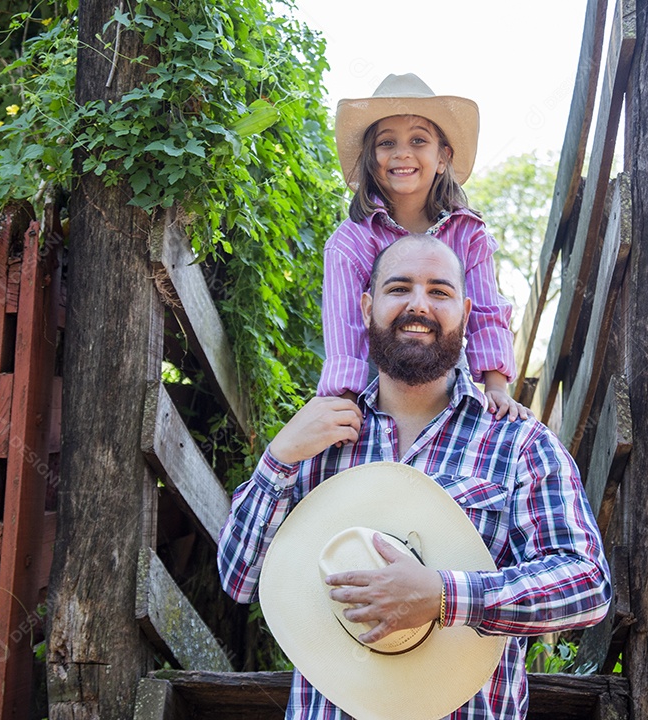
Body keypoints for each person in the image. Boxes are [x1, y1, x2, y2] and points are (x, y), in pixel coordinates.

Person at [218, 234, 611, 719]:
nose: (418, 305)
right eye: (399, 288)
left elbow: (586, 585)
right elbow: (239, 580)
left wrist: (445, 595)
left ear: (465, 313)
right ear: (368, 307)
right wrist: (279, 458)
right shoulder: (316, 440)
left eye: (439, 291)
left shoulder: (519, 442)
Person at [319, 73, 527, 421]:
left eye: (418, 140)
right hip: (372, 380)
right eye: (387, 142)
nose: (402, 153)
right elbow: (345, 330)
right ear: (371, 158)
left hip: (445, 372)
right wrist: (346, 407)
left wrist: (495, 388)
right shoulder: (350, 241)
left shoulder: (469, 234)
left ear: (443, 157)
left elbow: (487, 312)